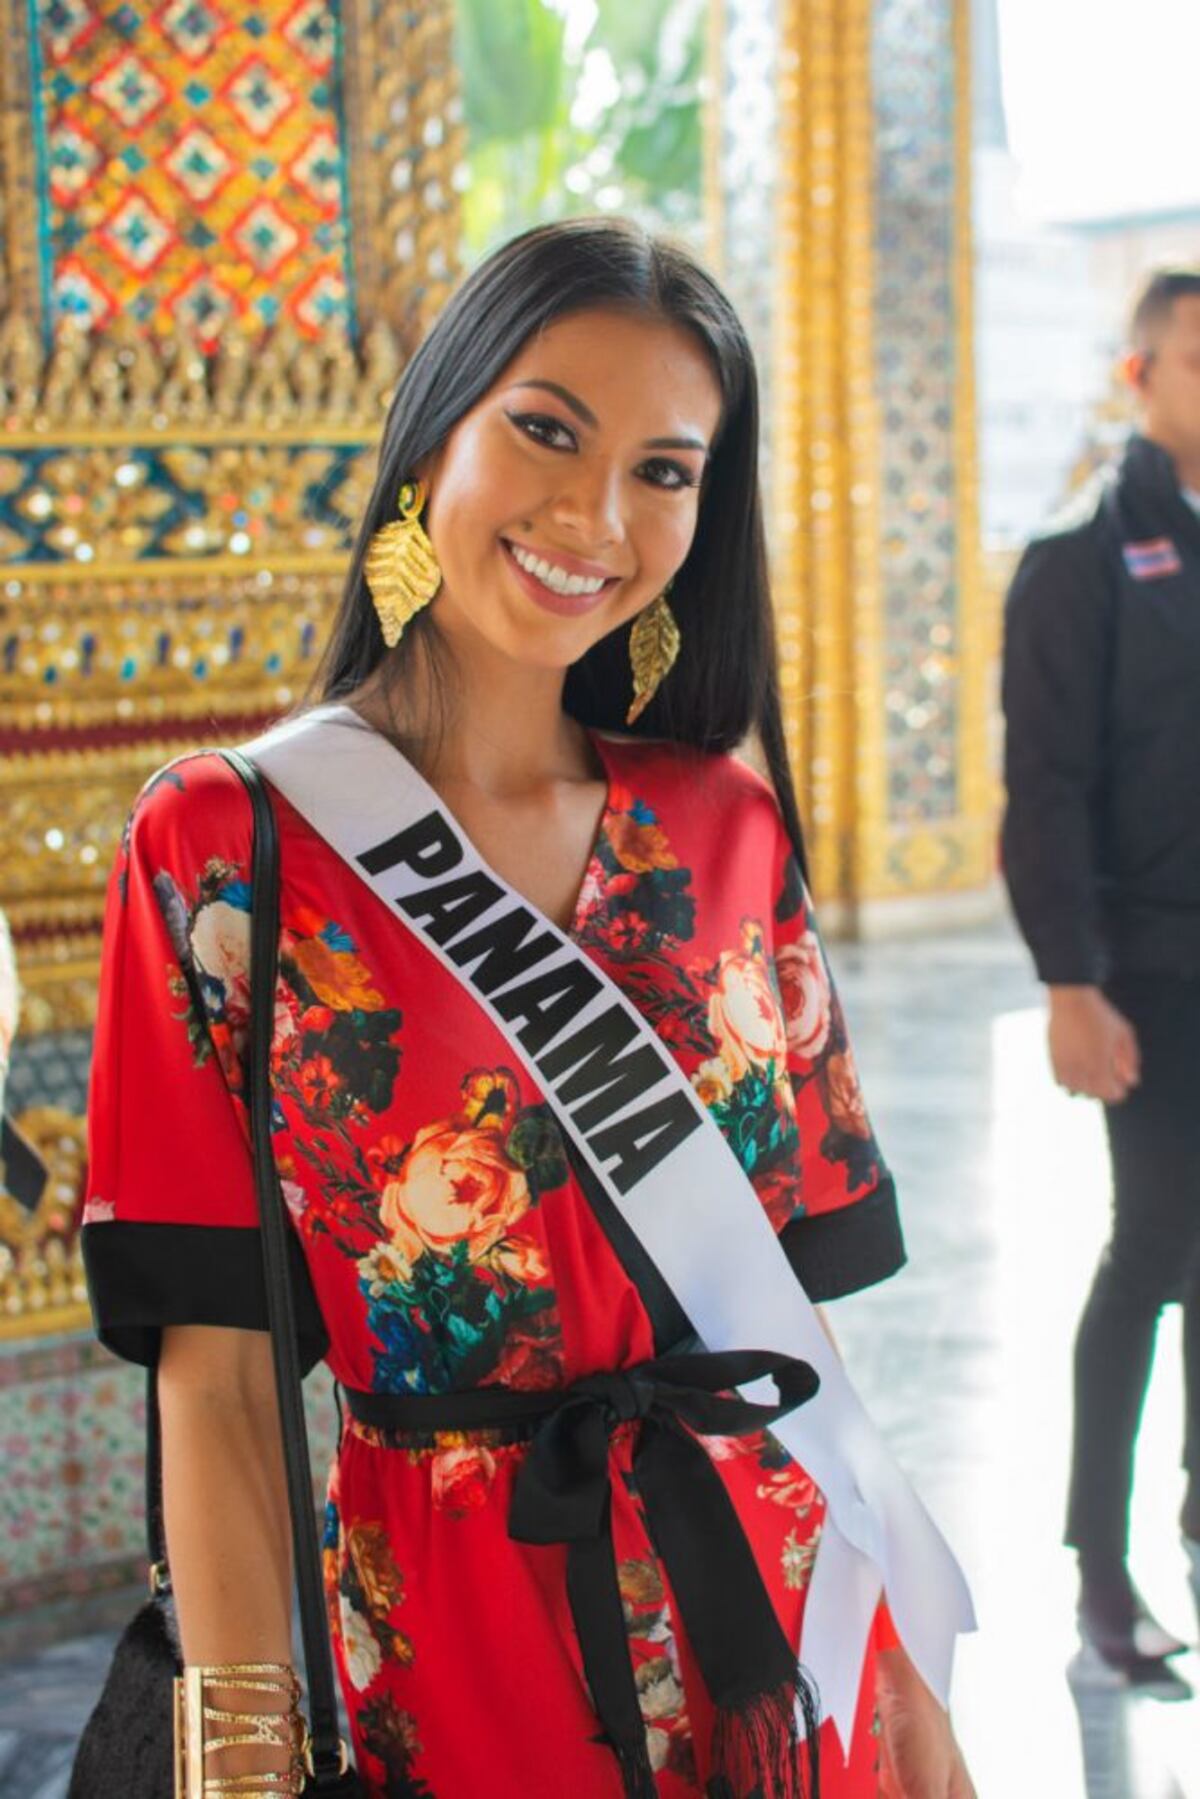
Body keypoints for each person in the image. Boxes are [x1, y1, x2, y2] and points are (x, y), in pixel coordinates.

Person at [81, 216, 974, 1798]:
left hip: (773, 1639)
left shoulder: (725, 831)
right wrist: (240, 1765)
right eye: (548, 431)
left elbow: (786, 1319)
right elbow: (214, 1381)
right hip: (445, 1640)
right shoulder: (225, 847)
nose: (598, 514)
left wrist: (895, 1659)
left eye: (666, 470)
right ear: (434, 438)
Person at [1001, 266, 1200, 1678]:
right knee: (1150, 1254)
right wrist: (1071, 982)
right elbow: (1047, 793)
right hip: (1152, 971)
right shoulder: (1079, 565)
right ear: (1140, 377)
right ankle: (1098, 1571)